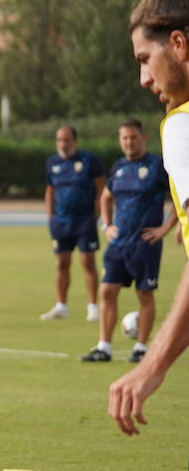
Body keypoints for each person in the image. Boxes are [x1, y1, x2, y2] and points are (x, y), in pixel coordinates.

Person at [111, 0, 189, 443]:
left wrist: (151, 365)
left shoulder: (181, 126)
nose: (143, 78)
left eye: (145, 59)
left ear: (178, 42)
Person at [80, 119, 173, 363]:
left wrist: (165, 228)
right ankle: (104, 347)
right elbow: (106, 196)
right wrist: (107, 225)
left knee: (144, 295)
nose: (129, 142)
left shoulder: (157, 166)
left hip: (145, 244)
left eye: (133, 137)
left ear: (144, 138)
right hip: (119, 244)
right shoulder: (119, 167)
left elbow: (179, 195)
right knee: (107, 291)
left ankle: (141, 348)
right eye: (124, 138)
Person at [40, 126, 105, 322]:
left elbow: (101, 189)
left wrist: (97, 213)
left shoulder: (88, 160)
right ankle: (61, 306)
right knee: (62, 263)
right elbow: (50, 191)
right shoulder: (52, 163)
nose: (63, 144)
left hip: (84, 220)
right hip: (61, 222)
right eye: (60, 140)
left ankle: (93, 306)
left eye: (67, 140)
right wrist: (50, 217)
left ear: (74, 141)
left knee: (88, 262)